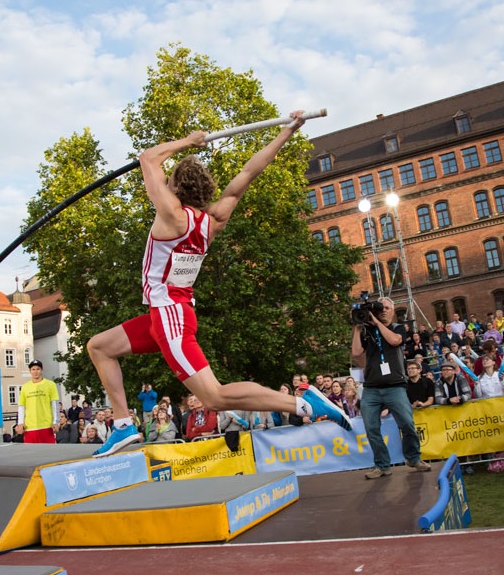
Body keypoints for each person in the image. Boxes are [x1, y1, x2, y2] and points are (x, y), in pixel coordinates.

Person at [87, 112, 350, 457]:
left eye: (168, 181)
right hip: (168, 315)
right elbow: (248, 173)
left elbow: (148, 158)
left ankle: (303, 404)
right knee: (100, 347)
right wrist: (287, 131)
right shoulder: (213, 220)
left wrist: (188, 141)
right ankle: (122, 426)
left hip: (170, 318)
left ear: (174, 188)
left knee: (213, 396)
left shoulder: (171, 216)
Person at [351, 296, 432, 480]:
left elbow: (395, 341)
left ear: (393, 311)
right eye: (381, 308)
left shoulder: (397, 328)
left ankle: (413, 458)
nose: (384, 311)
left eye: (387, 308)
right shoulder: (366, 331)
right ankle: (382, 465)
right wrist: (357, 327)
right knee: (371, 429)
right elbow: (356, 353)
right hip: (371, 388)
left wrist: (378, 323)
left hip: (395, 386)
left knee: (407, 424)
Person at [17, 360, 60, 444]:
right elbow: (21, 406)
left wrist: (55, 422)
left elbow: (54, 404)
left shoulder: (50, 385)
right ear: (30, 371)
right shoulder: (25, 387)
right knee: (31, 454)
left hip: (46, 426)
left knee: (48, 452)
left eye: (38, 369)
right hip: (30, 427)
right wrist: (20, 423)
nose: (35, 372)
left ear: (42, 370)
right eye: (33, 369)